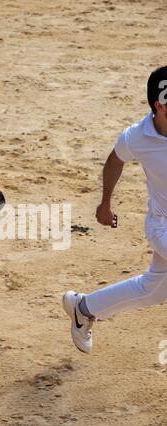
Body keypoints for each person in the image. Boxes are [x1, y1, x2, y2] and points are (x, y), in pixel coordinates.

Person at [62, 66, 167, 354]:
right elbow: (115, 160)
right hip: (163, 226)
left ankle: (83, 308)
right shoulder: (137, 137)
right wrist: (105, 202)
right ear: (160, 107)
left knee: (154, 289)